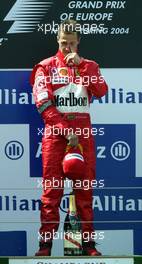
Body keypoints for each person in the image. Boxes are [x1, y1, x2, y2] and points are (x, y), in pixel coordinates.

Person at [31, 19, 108, 256]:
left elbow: (102, 91)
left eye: (72, 43)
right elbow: (43, 104)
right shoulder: (45, 67)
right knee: (51, 193)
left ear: (78, 42)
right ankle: (45, 246)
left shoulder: (90, 66)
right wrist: (66, 131)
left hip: (83, 133)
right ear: (57, 40)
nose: (67, 48)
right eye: (64, 43)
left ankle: (89, 246)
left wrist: (83, 66)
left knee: (84, 191)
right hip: (56, 134)